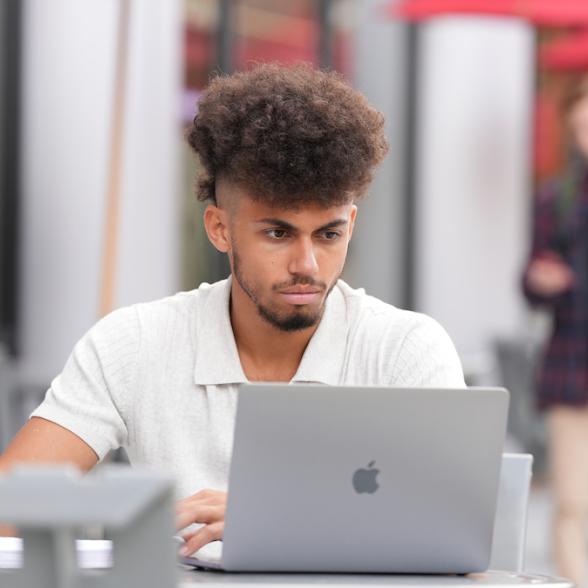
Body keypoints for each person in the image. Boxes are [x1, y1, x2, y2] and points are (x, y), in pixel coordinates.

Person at [0, 63, 464, 556]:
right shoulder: (133, 343)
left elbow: (456, 534)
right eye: (277, 233)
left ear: (350, 223)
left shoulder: (407, 349)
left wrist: (276, 518)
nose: (307, 265)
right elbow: (11, 507)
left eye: (328, 234)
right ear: (220, 228)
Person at [523, 76, 588, 587]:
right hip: (571, 366)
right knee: (572, 498)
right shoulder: (556, 197)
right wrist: (543, 281)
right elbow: (531, 281)